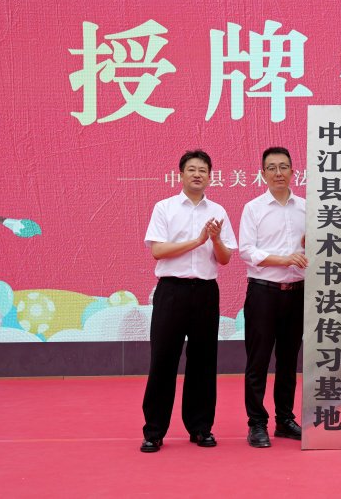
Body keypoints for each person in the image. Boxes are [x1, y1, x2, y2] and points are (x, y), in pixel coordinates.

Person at [140, 149, 237, 453]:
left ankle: (200, 428)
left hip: (205, 292)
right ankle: (154, 431)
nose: (197, 174)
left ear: (210, 177)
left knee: (203, 362)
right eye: (192, 169)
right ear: (180, 174)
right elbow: (157, 251)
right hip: (171, 291)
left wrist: (216, 239)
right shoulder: (164, 208)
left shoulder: (218, 211)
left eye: (203, 170)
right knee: (163, 361)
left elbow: (225, 259)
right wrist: (197, 241)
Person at [238, 147, 307, 448]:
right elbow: (246, 251)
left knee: (289, 361)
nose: (278, 173)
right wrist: (284, 259)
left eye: (283, 167)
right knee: (258, 360)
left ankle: (285, 419)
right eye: (272, 167)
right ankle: (256, 423)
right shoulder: (253, 208)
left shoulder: (307, 208)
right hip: (263, 292)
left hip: (298, 292)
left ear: (293, 171)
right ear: (262, 174)